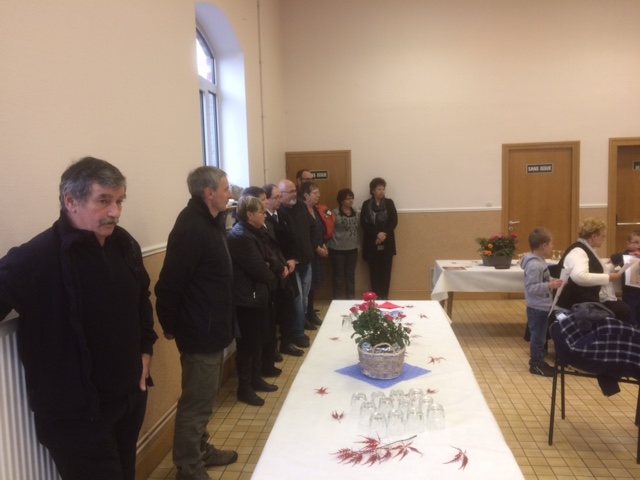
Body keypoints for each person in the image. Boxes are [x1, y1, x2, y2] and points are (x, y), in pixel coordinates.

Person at [0, 156, 157, 480]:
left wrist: (146, 348)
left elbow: (142, 297)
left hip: (128, 401)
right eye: (104, 200)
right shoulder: (37, 257)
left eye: (119, 201)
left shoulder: (124, 243)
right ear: (70, 201)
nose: (115, 211)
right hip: (77, 419)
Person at [155, 166, 238, 480]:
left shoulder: (209, 222)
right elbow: (168, 284)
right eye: (226, 188)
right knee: (196, 403)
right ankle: (189, 467)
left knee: (204, 398)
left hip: (212, 327)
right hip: (200, 330)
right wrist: (170, 324)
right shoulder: (192, 227)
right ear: (209, 193)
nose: (230, 194)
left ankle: (200, 450)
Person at [227, 195, 284, 406]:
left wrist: (271, 266)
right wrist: (270, 269)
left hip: (258, 295)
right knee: (247, 344)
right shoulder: (240, 236)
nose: (265, 215)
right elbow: (261, 269)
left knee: (258, 339)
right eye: (262, 212)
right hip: (246, 298)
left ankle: (256, 379)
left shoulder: (256, 231)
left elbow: (269, 259)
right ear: (250, 215)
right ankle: (244, 388)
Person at [556, 217, 631, 322]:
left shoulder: (586, 249)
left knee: (623, 309)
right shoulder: (578, 251)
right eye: (602, 236)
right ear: (594, 237)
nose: (604, 239)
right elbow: (580, 277)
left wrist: (613, 264)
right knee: (623, 310)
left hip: (586, 296)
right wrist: (608, 278)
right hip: (577, 300)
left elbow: (596, 271)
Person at [263, 184, 304, 357]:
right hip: (276, 270)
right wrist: (281, 265)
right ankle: (272, 348)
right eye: (276, 197)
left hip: (288, 266)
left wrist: (293, 259)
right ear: (266, 200)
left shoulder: (283, 215)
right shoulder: (263, 219)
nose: (280, 200)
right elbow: (270, 248)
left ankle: (287, 342)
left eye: (281, 196)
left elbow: (293, 239)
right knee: (275, 312)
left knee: (289, 306)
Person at [521, 228, 564, 377]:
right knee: (538, 337)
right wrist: (549, 285)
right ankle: (535, 364)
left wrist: (555, 281)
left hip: (543, 305)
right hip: (537, 307)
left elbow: (544, 279)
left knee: (541, 336)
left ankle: (540, 360)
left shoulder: (540, 261)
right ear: (544, 245)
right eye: (551, 244)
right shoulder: (534, 265)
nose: (552, 247)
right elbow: (531, 287)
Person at [278, 179, 314, 343]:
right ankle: (297, 333)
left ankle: (302, 325)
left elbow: (312, 227)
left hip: (306, 259)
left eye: (295, 190)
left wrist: (313, 247)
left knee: (305, 297)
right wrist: (291, 259)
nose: (294, 194)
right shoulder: (279, 213)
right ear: (281, 194)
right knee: (297, 299)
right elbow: (285, 240)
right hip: (292, 263)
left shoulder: (300, 206)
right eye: (290, 191)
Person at [361, 177, 398, 299]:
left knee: (386, 273)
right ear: (373, 190)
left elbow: (394, 222)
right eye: (379, 189)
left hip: (387, 243)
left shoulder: (389, 203)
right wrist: (376, 234)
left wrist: (382, 235)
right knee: (374, 273)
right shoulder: (366, 204)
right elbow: (363, 223)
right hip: (371, 243)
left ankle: (384, 297)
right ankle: (375, 298)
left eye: (383, 189)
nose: (382, 191)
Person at [301, 181, 328, 326]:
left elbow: (320, 230)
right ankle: (305, 316)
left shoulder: (315, 209)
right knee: (307, 287)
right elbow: (305, 235)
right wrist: (317, 248)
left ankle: (311, 313)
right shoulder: (301, 210)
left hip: (318, 252)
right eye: (315, 193)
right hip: (308, 253)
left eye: (318, 193)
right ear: (306, 195)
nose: (318, 195)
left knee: (313, 286)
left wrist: (323, 245)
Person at [328, 188, 360, 299]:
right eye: (348, 199)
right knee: (338, 276)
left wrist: (358, 243)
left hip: (352, 249)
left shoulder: (355, 212)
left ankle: (351, 299)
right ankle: (337, 299)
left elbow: (358, 229)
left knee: (350, 275)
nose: (350, 201)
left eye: (352, 198)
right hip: (337, 249)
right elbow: (329, 230)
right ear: (341, 201)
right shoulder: (334, 213)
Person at [611, 231, 640, 326]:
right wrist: (629, 255)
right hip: (630, 292)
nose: (639, 245)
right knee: (630, 317)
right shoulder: (626, 255)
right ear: (628, 244)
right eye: (636, 242)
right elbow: (614, 258)